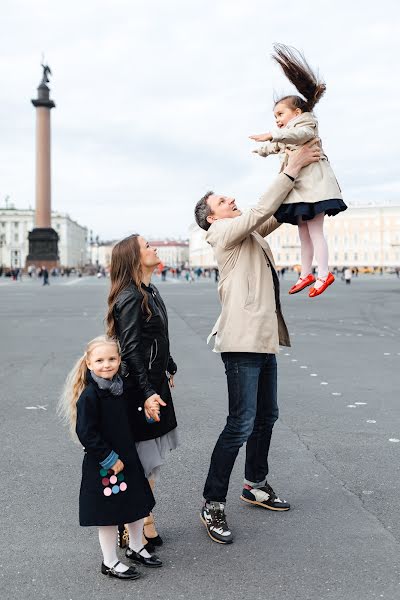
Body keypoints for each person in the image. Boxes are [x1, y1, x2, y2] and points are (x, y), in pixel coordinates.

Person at [194, 138, 320, 544]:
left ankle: (255, 484)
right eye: (222, 200)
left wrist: (295, 162)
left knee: (266, 417)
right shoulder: (223, 235)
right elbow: (262, 209)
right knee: (240, 424)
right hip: (241, 342)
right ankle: (212, 503)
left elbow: (275, 212)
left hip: (262, 341)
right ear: (211, 218)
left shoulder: (247, 235)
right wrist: (290, 168)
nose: (231, 199)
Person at [57, 335, 162, 580]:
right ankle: (110, 561)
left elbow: (130, 420)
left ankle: (136, 548)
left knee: (137, 506)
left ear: (119, 360)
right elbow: (86, 432)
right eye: (100, 360)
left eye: (112, 359)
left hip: (128, 458)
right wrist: (108, 458)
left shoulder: (120, 389)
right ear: (89, 363)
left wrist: (146, 415)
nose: (107, 364)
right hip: (106, 465)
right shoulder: (90, 396)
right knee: (109, 515)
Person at [250, 43, 347, 298]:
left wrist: (272, 134)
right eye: (274, 117)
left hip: (315, 188)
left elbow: (296, 135)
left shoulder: (306, 123)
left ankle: (324, 273)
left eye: (280, 114)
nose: (277, 119)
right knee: (304, 233)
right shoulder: (289, 133)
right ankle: (306, 274)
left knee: (315, 231)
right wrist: (262, 148)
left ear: (297, 111)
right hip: (303, 191)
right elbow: (281, 145)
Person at [106, 235, 178, 551]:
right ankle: (134, 521)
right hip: (140, 389)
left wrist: (169, 364)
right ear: (134, 258)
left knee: (151, 459)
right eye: (147, 246)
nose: (154, 248)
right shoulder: (130, 297)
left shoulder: (149, 290)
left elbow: (157, 334)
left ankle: (143, 517)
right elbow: (132, 348)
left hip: (153, 382)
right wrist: (147, 390)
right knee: (144, 458)